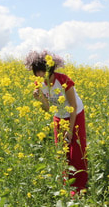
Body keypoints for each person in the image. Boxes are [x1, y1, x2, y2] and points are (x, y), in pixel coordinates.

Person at [24, 51, 88, 194]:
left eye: (42, 72)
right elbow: (48, 109)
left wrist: (70, 130)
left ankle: (80, 187)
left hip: (75, 115)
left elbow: (73, 107)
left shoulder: (64, 80)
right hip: (58, 116)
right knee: (61, 150)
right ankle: (66, 184)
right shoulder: (39, 84)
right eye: (37, 73)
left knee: (76, 151)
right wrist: (39, 98)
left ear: (50, 69)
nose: (40, 76)